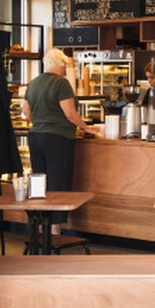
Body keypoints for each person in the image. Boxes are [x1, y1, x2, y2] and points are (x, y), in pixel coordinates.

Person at [21, 49, 99, 224]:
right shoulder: (61, 83)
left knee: (40, 182)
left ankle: (40, 224)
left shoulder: (33, 83)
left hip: (36, 137)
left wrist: (41, 122)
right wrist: (87, 128)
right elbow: (70, 113)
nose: (65, 70)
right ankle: (55, 227)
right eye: (64, 66)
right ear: (60, 65)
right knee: (58, 182)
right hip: (57, 138)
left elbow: (26, 112)